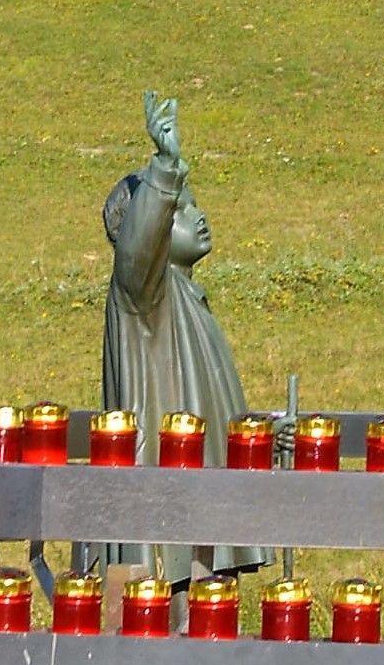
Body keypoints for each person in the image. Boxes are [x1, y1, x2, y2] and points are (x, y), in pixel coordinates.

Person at [100, 92, 272, 584]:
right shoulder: (142, 296)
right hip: (165, 534)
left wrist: (254, 436)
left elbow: (205, 402)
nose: (199, 217)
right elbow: (137, 250)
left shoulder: (187, 300)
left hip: (200, 525)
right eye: (179, 210)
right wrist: (165, 167)